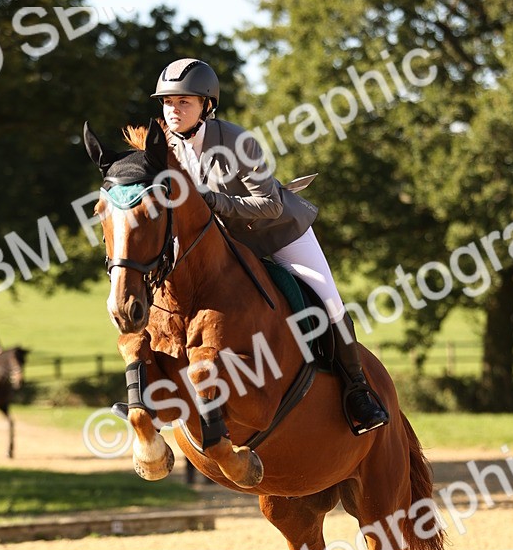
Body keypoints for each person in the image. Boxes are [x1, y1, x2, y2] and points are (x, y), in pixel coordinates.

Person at [151, 58, 389, 434]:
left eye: (185, 102)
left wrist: (214, 201)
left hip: (279, 233)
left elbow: (271, 204)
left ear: (206, 106)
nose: (174, 110)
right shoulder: (164, 147)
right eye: (168, 102)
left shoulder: (236, 141)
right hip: (229, 246)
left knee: (329, 299)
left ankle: (358, 392)